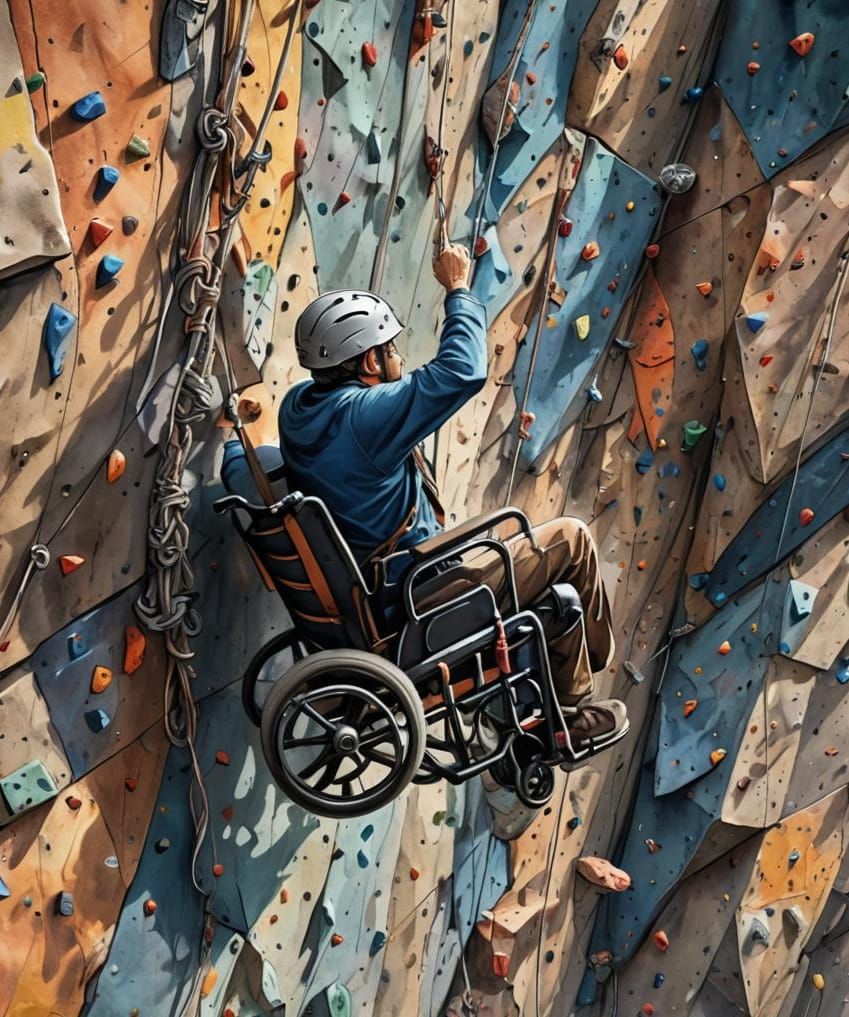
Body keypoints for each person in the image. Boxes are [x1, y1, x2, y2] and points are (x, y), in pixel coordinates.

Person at [279, 240, 628, 758]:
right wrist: (459, 289)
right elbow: (461, 372)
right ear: (369, 360)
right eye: (390, 348)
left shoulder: (300, 409)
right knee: (571, 543)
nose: (398, 355)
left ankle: (560, 687)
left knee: (541, 572)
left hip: (375, 596)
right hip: (420, 594)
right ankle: (575, 704)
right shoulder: (364, 419)